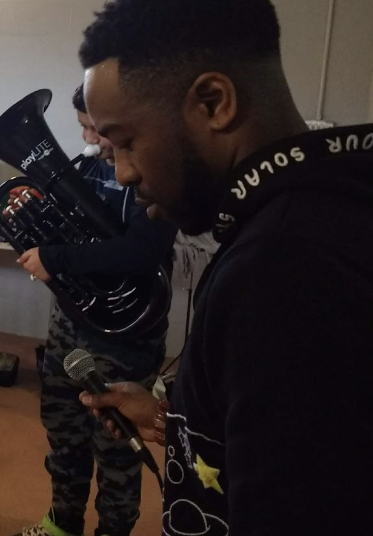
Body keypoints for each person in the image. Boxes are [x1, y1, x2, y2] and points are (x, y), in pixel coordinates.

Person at [76, 1, 373, 535]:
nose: (121, 172)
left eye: (126, 141)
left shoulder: (284, 266)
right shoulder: (317, 210)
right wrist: (177, 416)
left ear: (214, 103)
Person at [10, 86, 177, 536]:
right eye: (82, 125)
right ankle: (63, 522)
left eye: (93, 127)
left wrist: (56, 259)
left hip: (126, 331)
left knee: (116, 445)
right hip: (71, 319)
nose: (86, 137)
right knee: (63, 431)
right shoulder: (84, 169)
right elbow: (63, 239)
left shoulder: (152, 176)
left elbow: (141, 252)